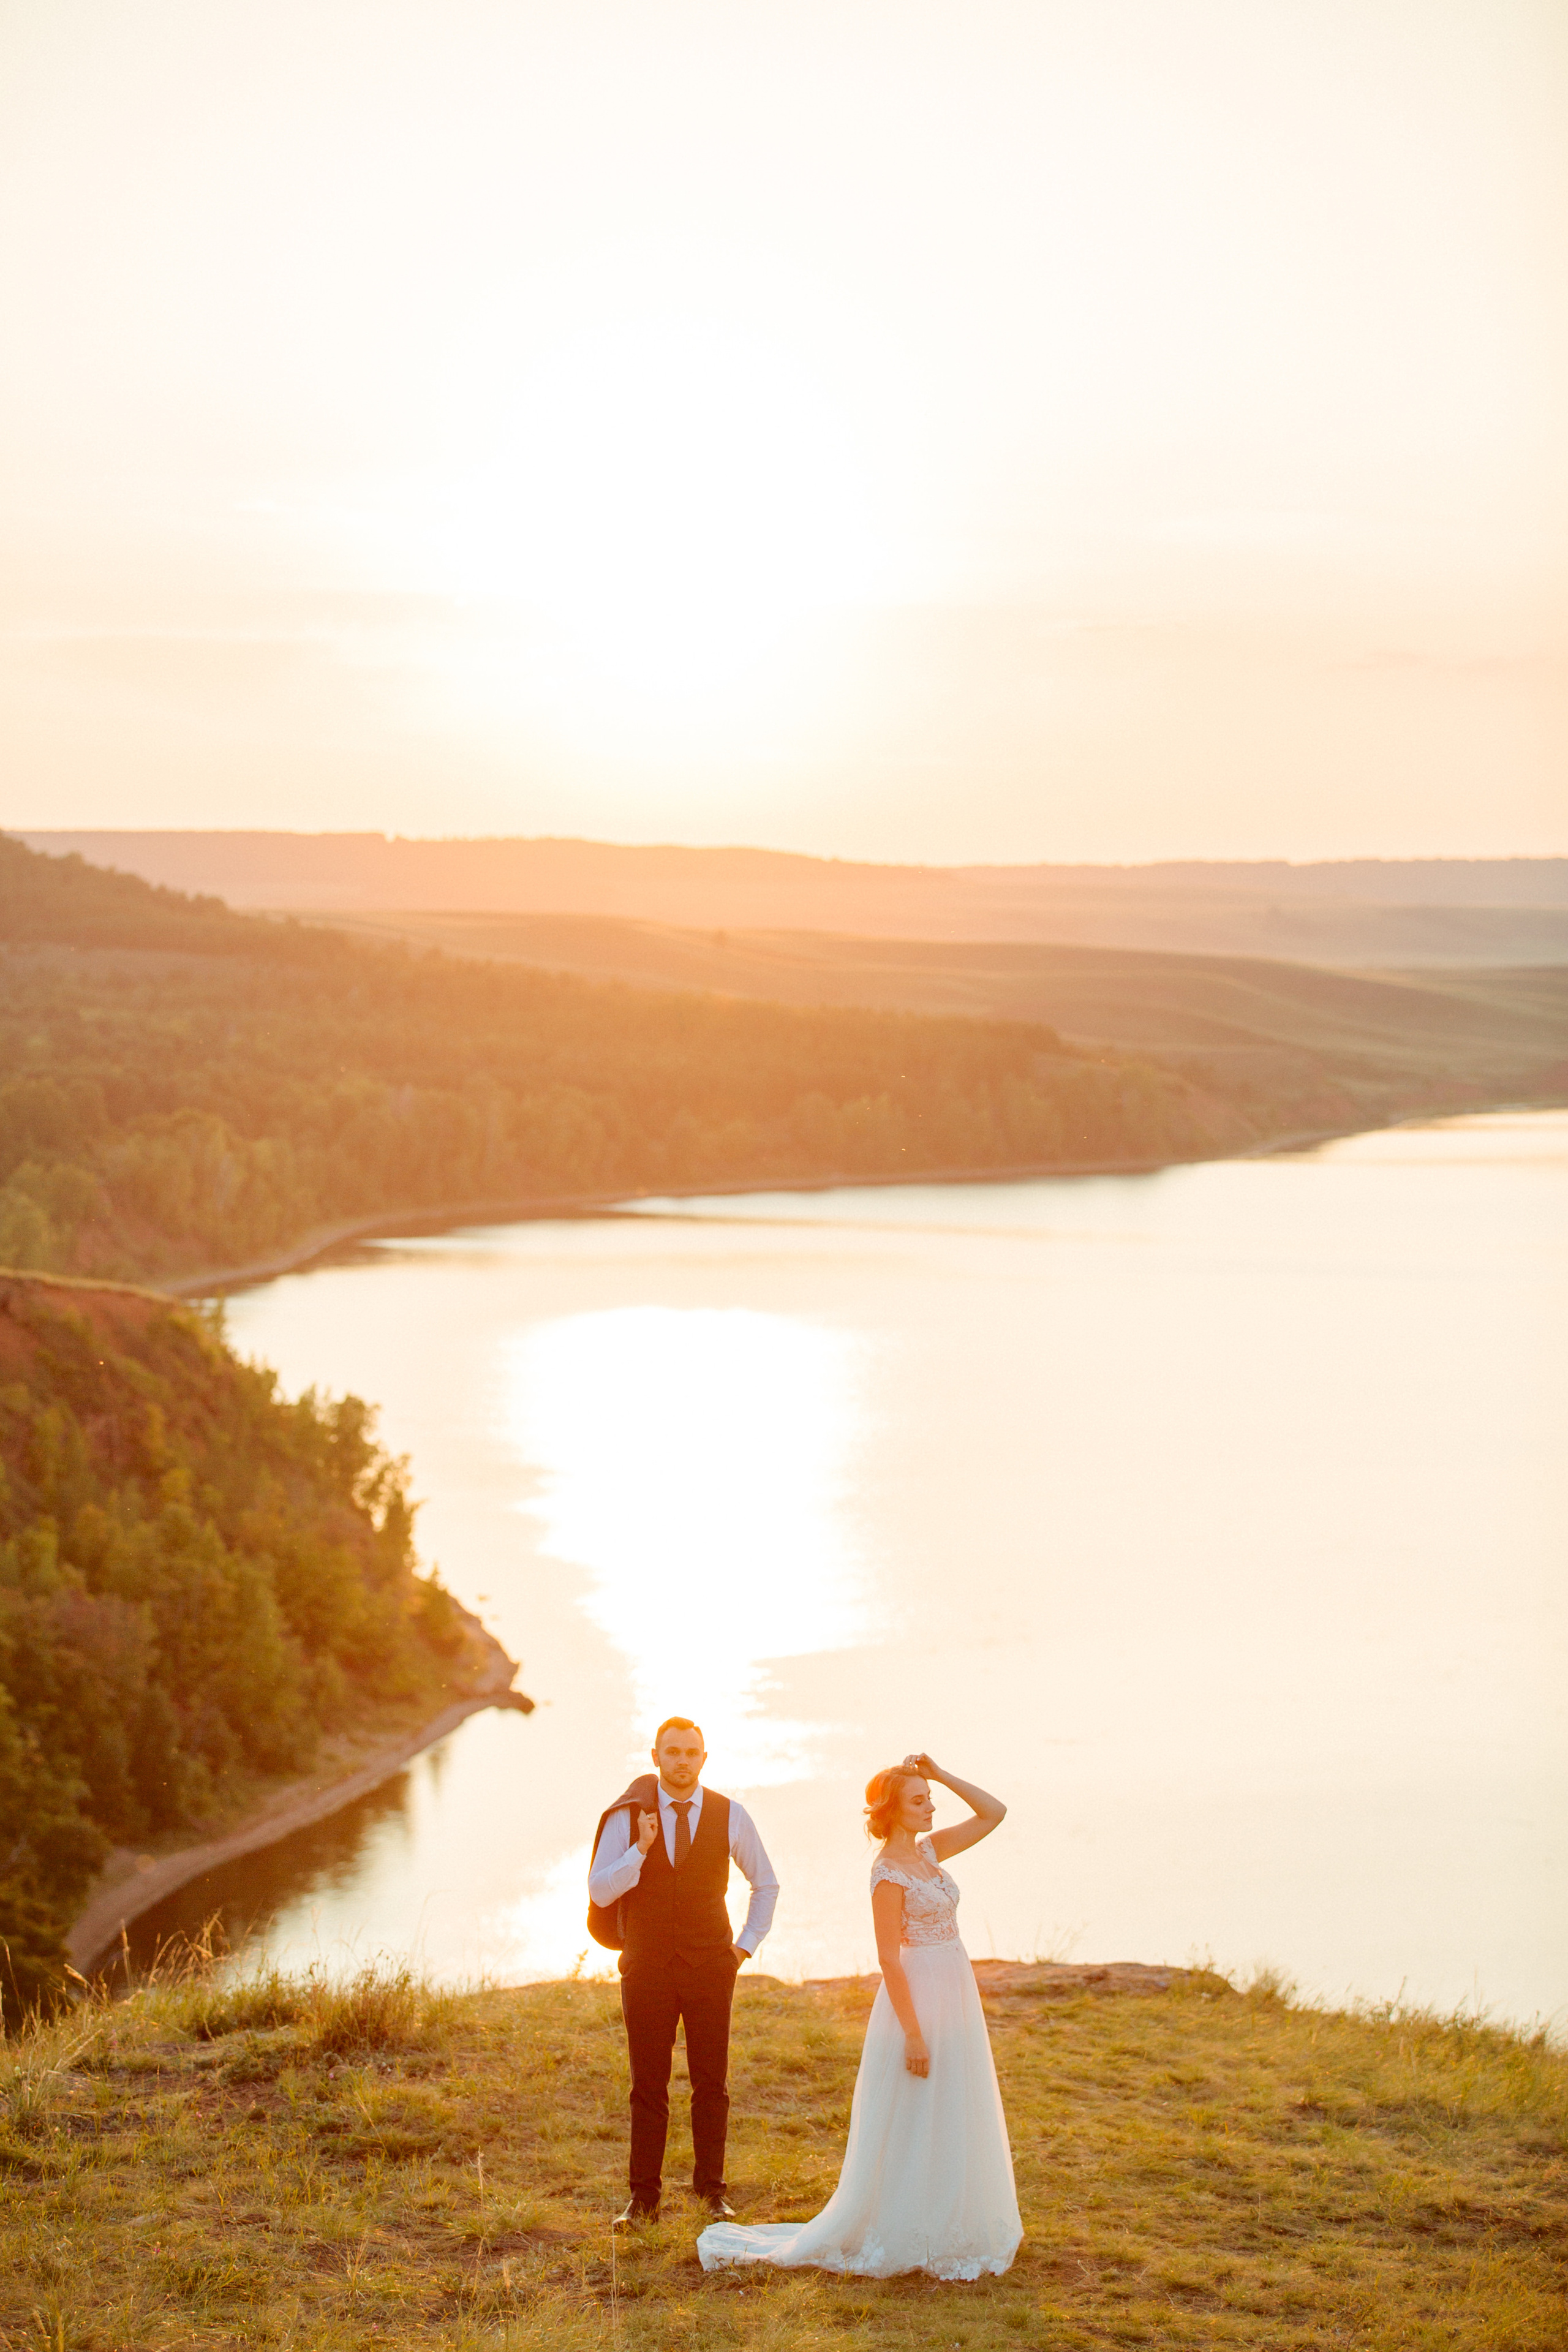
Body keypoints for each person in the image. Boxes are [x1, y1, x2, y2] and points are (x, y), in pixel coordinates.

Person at [697, 1751, 1021, 2280]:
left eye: (930, 1798)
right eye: (920, 1800)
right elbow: (890, 1958)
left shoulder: (932, 1853)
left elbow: (995, 1812)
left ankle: (949, 2217)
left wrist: (938, 1774)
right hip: (917, 1998)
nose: (931, 1806)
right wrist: (914, 2035)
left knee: (954, 2103)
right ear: (892, 1811)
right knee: (916, 2108)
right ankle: (908, 2223)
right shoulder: (887, 1872)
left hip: (955, 1989)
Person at [588, 1716, 780, 2225]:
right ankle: (643, 2199)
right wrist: (641, 1849)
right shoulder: (628, 1817)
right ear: (655, 1757)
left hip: (710, 1968)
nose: (681, 1762)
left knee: (711, 2084)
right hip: (646, 1968)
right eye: (671, 1752)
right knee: (647, 2085)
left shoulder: (730, 1814)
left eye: (691, 1753)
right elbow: (599, 1890)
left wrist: (743, 1949)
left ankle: (712, 2193)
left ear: (704, 1758)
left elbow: (766, 1884)